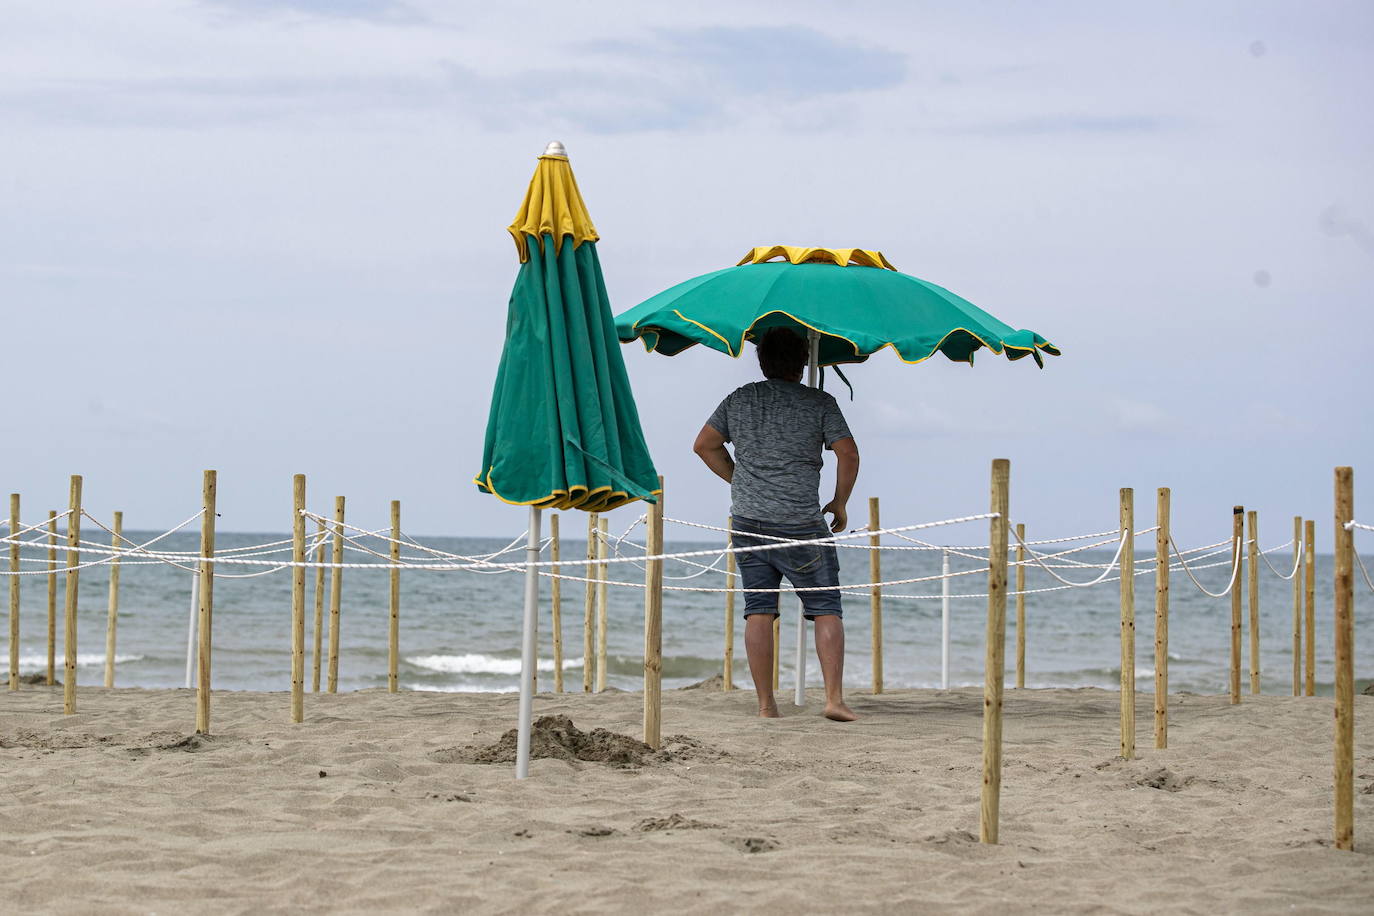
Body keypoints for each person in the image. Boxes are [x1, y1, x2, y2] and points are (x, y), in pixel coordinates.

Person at [692, 326, 860, 721]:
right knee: (825, 607)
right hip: (801, 520)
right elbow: (848, 454)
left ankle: (767, 705)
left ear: (761, 360)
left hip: (749, 520)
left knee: (759, 608)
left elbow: (704, 445)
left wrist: (740, 480)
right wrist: (839, 501)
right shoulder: (820, 402)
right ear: (803, 362)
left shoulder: (740, 399)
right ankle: (833, 700)